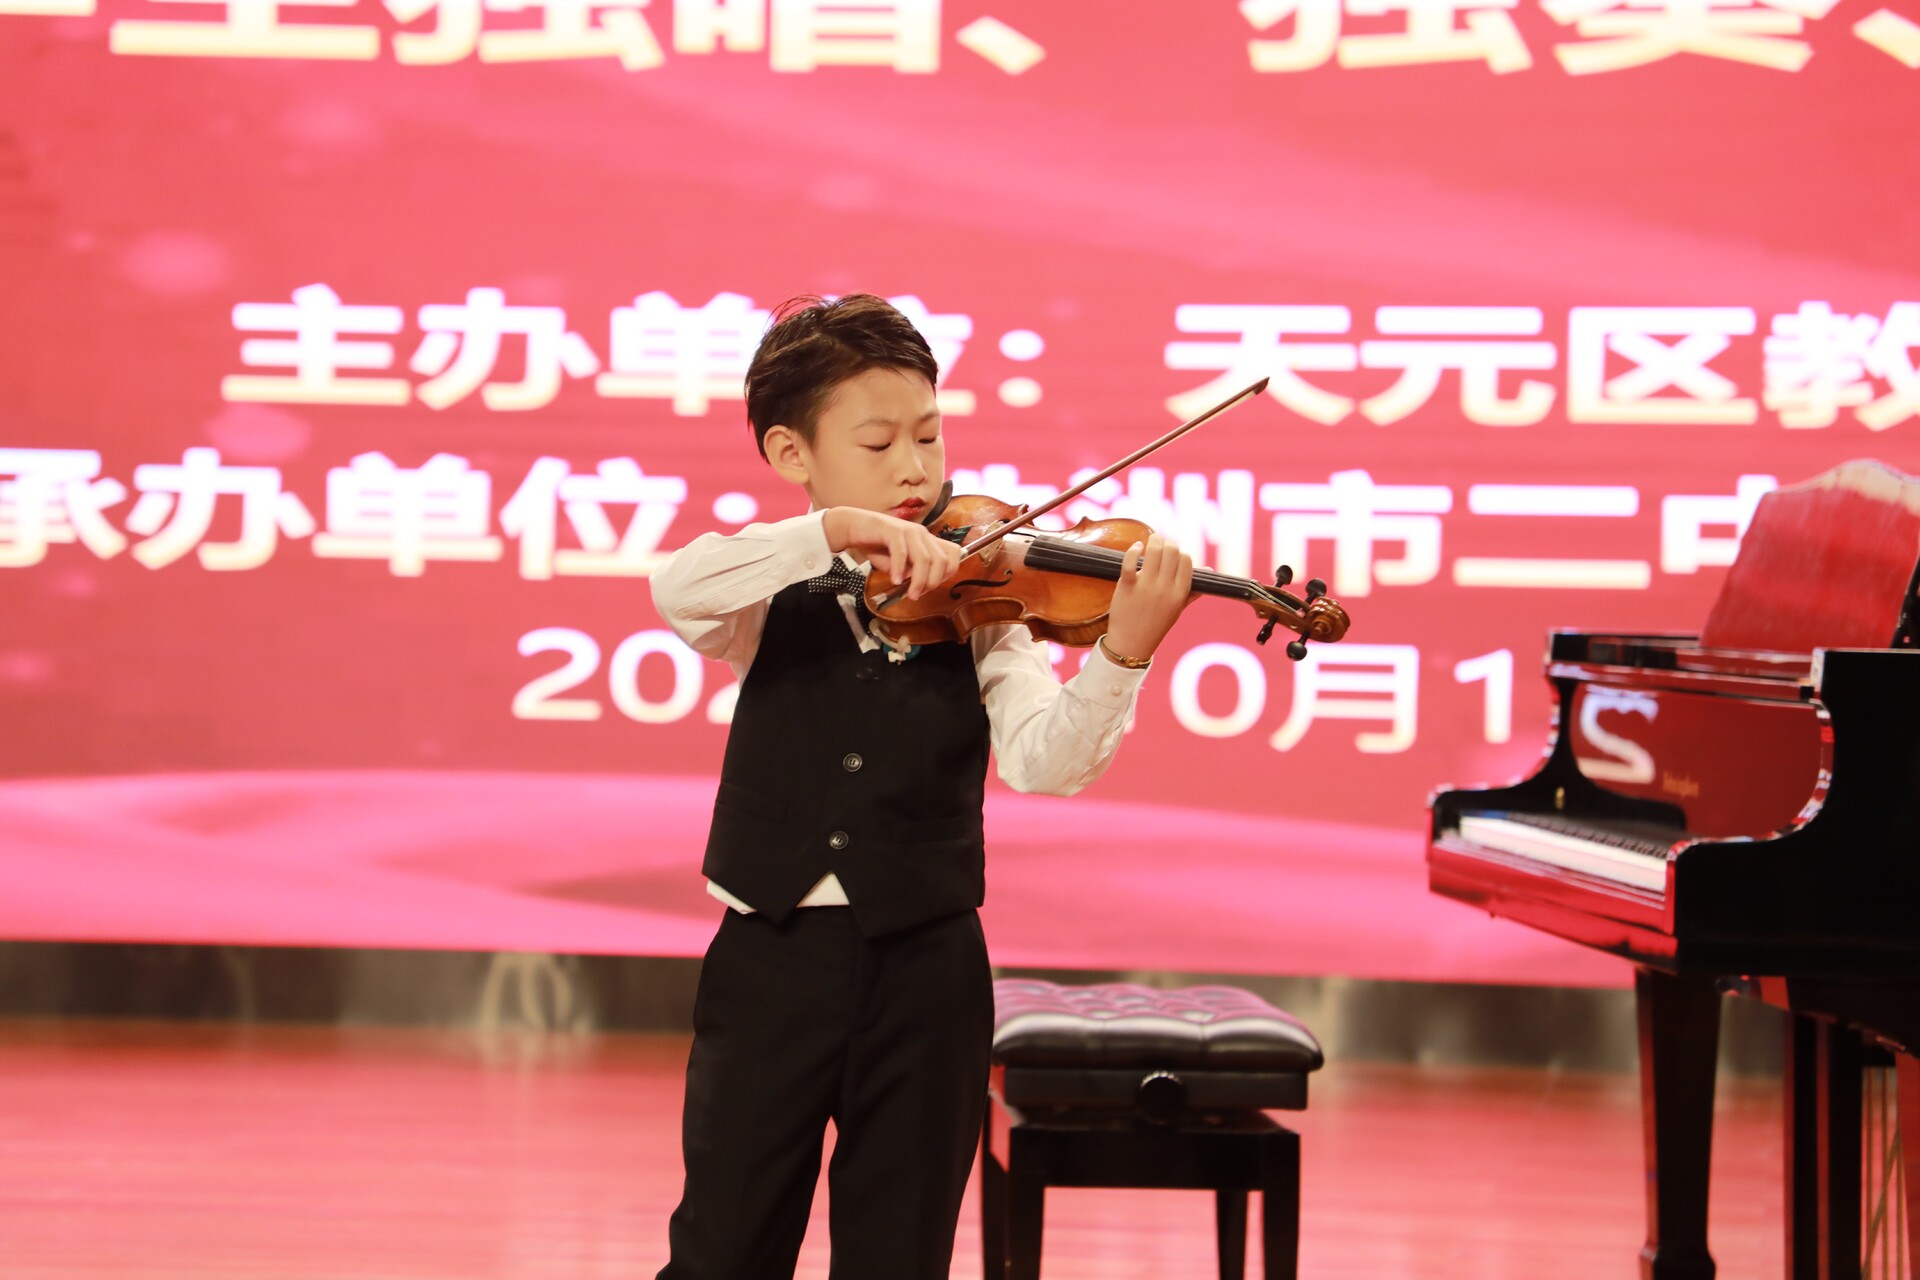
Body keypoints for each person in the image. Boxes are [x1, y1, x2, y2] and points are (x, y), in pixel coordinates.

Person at [650, 293, 1194, 1279]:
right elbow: (677, 587)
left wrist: (1122, 654)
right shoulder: (763, 585)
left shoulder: (986, 598)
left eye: (930, 435)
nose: (915, 467)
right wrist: (834, 531)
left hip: (928, 970)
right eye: (878, 442)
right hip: (771, 959)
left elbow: (1045, 763)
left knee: (900, 1256)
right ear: (790, 452)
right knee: (723, 1249)